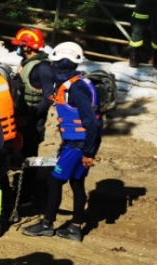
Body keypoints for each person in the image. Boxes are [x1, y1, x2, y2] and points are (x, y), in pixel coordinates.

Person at [23, 42, 103, 241]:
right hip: (76, 143)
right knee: (77, 183)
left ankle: (47, 224)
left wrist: (88, 153)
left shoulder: (75, 89)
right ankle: (75, 228)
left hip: (78, 146)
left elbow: (90, 123)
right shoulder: (80, 83)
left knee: (55, 180)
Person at [13, 27, 56, 159]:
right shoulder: (26, 63)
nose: (18, 47)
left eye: (20, 45)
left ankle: (29, 179)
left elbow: (49, 97)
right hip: (22, 117)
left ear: (27, 47)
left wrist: (30, 117)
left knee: (29, 155)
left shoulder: (42, 68)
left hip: (32, 121)